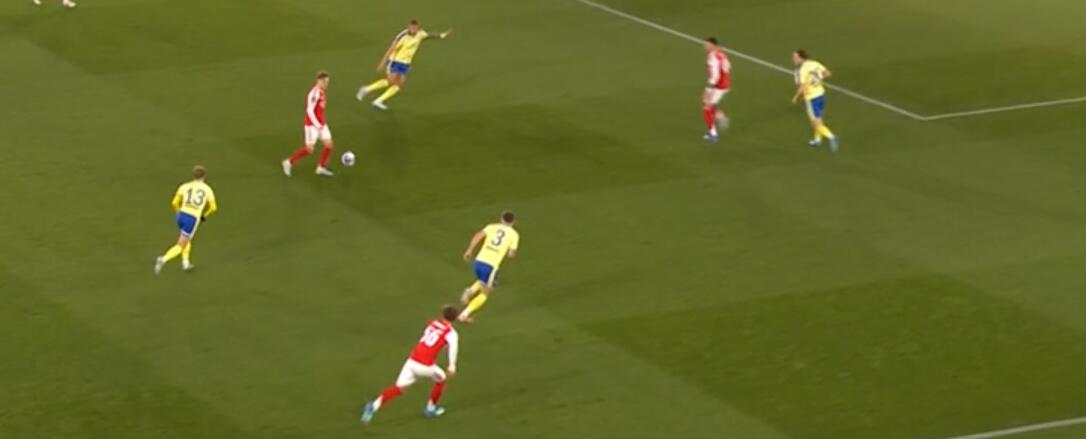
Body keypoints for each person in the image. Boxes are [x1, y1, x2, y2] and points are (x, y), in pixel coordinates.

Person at [361, 305, 461, 423]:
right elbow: (453, 349)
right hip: (426, 366)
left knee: (399, 387)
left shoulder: (433, 323)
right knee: (441, 379)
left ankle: (373, 406)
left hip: (412, 361)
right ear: (455, 318)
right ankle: (430, 408)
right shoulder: (451, 333)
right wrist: (452, 365)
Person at [355, 20, 452, 110]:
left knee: (399, 84)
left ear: (418, 28)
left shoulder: (420, 34)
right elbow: (391, 49)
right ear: (408, 27)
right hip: (395, 61)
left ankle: (378, 101)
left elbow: (429, 36)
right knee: (390, 80)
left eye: (415, 28)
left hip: (406, 63)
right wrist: (383, 63)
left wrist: (442, 35)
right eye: (411, 28)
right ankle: (366, 89)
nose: (413, 30)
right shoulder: (402, 37)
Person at [458, 211, 520, 322]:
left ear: (501, 219)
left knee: (483, 281)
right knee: (486, 292)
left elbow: (478, 235)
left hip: (478, 261)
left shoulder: (491, 227)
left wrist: (469, 250)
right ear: (514, 222)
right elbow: (511, 254)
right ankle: (464, 314)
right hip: (491, 266)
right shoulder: (514, 235)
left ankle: (470, 290)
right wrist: (510, 254)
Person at [155, 166, 217, 274]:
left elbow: (174, 203)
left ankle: (185, 263)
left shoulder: (184, 186)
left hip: (181, 216)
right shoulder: (207, 189)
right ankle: (163, 259)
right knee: (181, 244)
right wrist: (204, 216)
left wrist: (178, 212)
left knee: (186, 238)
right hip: (192, 218)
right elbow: (213, 207)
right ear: (204, 176)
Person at [282, 71, 336, 177]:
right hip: (312, 125)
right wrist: (317, 125)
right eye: (324, 82)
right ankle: (288, 162)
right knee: (309, 149)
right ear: (319, 81)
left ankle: (321, 167)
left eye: (327, 82)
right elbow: (309, 111)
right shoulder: (314, 93)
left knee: (329, 145)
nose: (326, 84)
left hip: (321, 124)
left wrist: (321, 124)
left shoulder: (322, 92)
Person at [792, 50, 838, 152]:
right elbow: (828, 73)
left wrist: (796, 97)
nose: (793, 59)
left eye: (795, 57)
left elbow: (803, 86)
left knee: (815, 123)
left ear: (801, 58)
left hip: (811, 98)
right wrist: (819, 79)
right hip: (821, 94)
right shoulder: (814, 63)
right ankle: (817, 139)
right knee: (819, 118)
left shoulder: (802, 70)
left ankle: (831, 136)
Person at [702, 37, 731, 142]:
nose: (705, 46)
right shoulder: (721, 54)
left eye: (707, 45)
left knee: (706, 107)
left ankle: (713, 134)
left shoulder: (713, 57)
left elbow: (715, 76)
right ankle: (720, 116)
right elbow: (728, 66)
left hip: (718, 86)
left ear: (713, 45)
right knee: (709, 104)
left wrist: (708, 90)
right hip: (724, 84)